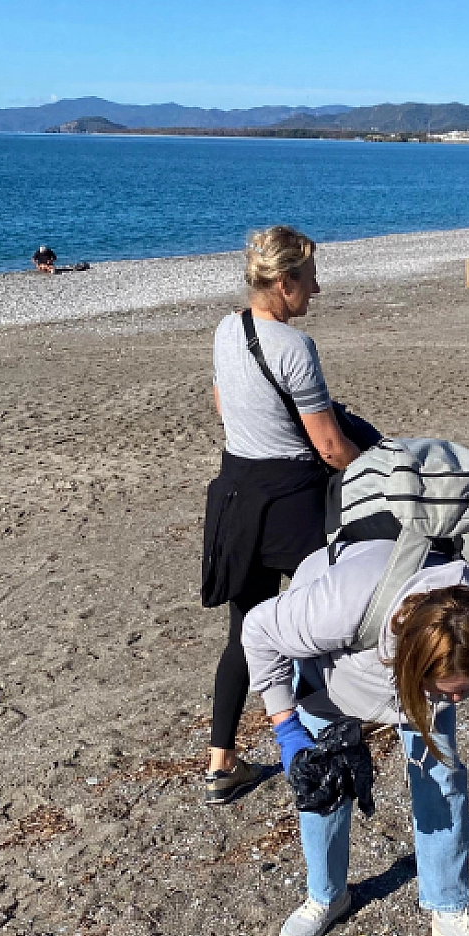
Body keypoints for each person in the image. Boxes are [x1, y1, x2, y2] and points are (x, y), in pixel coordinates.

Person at [242, 549, 469, 936]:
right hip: (335, 673)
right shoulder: (338, 604)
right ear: (413, 663)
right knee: (322, 783)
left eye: (466, 690)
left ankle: (448, 908)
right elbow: (257, 629)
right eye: (449, 691)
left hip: (409, 686)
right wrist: (288, 731)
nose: (458, 699)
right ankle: (326, 895)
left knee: (442, 775)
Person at [203, 226, 361, 805]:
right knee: (326, 614)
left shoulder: (228, 328)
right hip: (291, 499)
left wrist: (261, 424)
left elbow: (223, 402)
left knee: (245, 631)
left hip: (237, 493)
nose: (317, 289)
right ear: (285, 281)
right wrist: (378, 468)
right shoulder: (295, 349)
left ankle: (221, 764)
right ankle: (329, 728)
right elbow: (329, 448)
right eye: (311, 278)